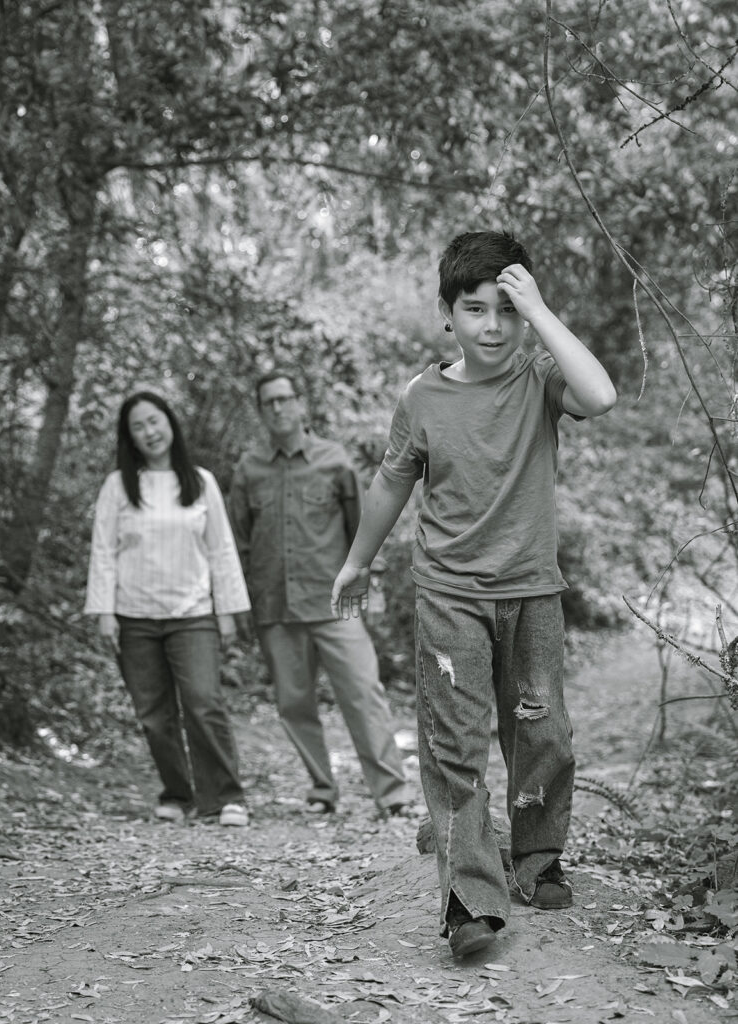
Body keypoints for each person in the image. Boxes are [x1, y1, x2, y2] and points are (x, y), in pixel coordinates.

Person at [331, 231, 617, 957]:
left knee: (542, 733)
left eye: (505, 311)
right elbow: (390, 482)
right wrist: (357, 562)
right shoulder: (421, 398)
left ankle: (536, 857)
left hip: (532, 592)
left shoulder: (540, 378)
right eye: (475, 310)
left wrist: (539, 307)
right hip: (450, 593)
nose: (492, 327)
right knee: (454, 746)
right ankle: (468, 898)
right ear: (447, 316)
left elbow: (602, 394)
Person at [228, 370, 411, 816]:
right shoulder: (248, 469)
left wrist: (372, 584)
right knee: (294, 703)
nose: (278, 407)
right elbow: (239, 542)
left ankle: (392, 794)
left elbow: (362, 527)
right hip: (275, 607)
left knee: (363, 692)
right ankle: (322, 789)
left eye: (285, 398)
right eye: (268, 401)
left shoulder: (334, 461)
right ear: (261, 410)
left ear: (300, 403)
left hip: (336, 604)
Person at [85, 390, 251, 828]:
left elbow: (221, 550)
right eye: (138, 427)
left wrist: (228, 610)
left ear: (170, 424)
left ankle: (226, 797)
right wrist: (103, 611)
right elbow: (103, 550)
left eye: (154, 421)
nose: (149, 432)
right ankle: (177, 795)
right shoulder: (118, 486)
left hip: (193, 614)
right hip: (133, 615)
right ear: (129, 437)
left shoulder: (200, 481)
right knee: (155, 716)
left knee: (203, 702)